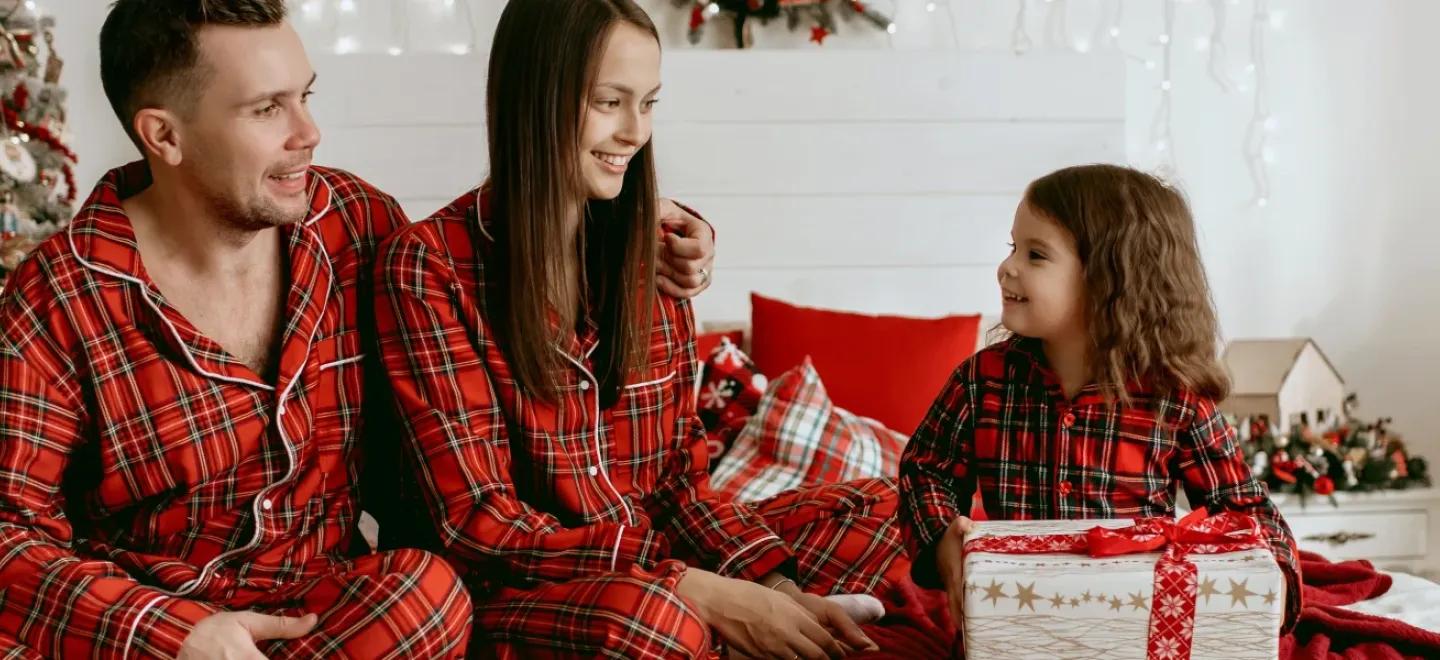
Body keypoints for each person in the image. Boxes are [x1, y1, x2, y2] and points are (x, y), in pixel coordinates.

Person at [0, 1, 714, 657]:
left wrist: (637, 238)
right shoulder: (60, 297)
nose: (308, 133)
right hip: (170, 630)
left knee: (426, 596)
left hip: (342, 619)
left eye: (304, 96)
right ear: (165, 134)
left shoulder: (355, 226)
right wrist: (170, 634)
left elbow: (483, 284)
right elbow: (8, 530)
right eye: (266, 110)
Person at [373, 1, 904, 657]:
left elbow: (680, 484)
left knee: (885, 505)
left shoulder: (654, 256)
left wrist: (774, 581)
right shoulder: (430, 269)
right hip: (527, 590)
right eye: (608, 102)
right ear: (532, 98)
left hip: (660, 562)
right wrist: (697, 589)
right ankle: (719, 631)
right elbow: (483, 526)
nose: (634, 132)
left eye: (648, 103)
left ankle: (756, 629)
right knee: (653, 621)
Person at [897, 163, 1302, 631]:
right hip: (1015, 620)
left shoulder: (1175, 399)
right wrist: (944, 536)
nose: (1006, 267)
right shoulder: (981, 380)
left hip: (1132, 624)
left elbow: (1245, 509)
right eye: (1013, 248)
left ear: (1109, 281)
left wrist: (1271, 586)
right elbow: (926, 469)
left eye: (1036, 255)